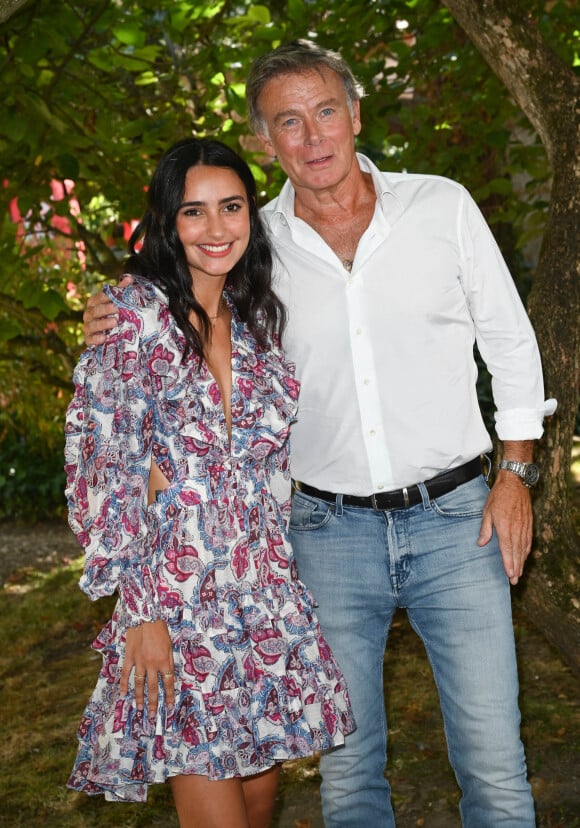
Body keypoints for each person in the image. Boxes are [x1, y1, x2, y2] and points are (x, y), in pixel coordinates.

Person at [82, 41, 557, 828]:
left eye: (326, 111)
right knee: (348, 776)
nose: (312, 136)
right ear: (267, 141)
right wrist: (109, 308)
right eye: (288, 122)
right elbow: (173, 296)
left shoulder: (441, 206)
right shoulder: (254, 248)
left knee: (496, 767)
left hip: (457, 520)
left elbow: (510, 344)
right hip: (325, 534)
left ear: (356, 114)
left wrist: (517, 474)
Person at [64, 136, 355, 828]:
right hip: (176, 598)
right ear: (167, 223)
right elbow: (101, 468)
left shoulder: (258, 319)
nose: (216, 228)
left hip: (261, 596)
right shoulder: (133, 314)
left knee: (257, 806)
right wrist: (142, 612)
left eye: (231, 207)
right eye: (193, 212)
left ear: (252, 216)